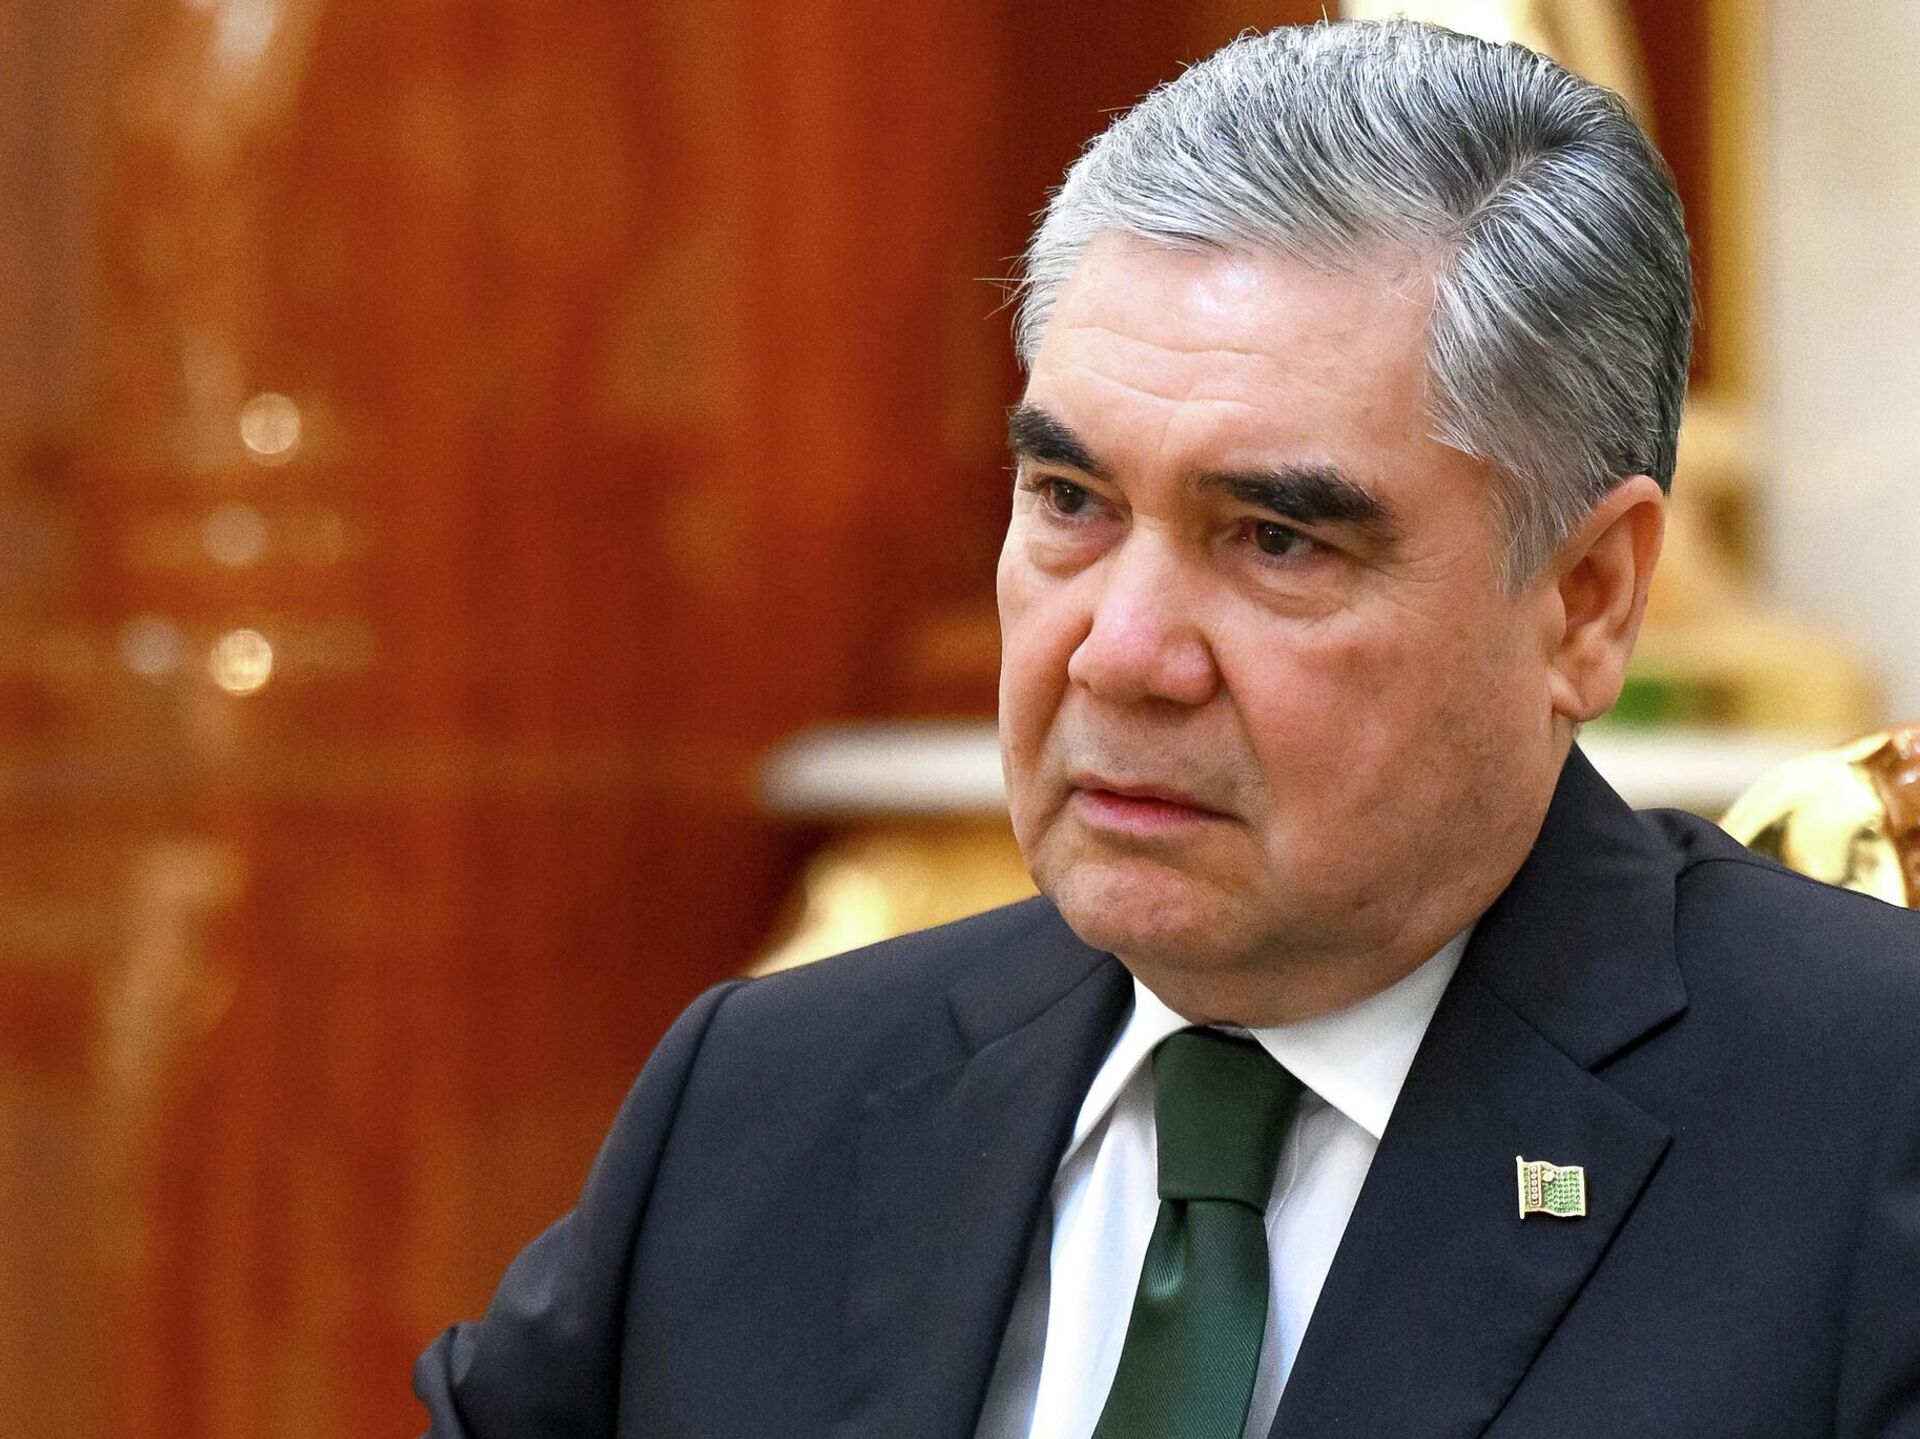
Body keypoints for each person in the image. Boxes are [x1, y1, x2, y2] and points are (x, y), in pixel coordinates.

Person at [416, 20, 1920, 1438]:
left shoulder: (1868, 1133)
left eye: (1277, 538)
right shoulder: (766, 1103)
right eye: (1070, 502)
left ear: (1585, 601)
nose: (1120, 654)